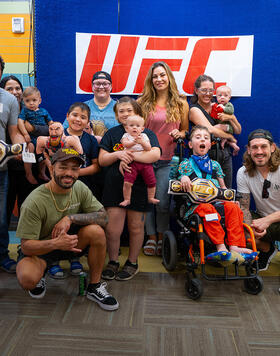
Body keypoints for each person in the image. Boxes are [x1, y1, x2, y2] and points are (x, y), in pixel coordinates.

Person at [16, 148, 119, 311]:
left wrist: (70, 218)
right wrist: (56, 243)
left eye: (74, 168)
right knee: (28, 279)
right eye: (63, 167)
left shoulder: (79, 188)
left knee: (96, 232)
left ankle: (94, 287)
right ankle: (41, 272)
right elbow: (27, 246)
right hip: (40, 250)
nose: (69, 173)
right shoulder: (34, 201)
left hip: (71, 243)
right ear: (51, 168)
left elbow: (104, 218)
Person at [99, 96, 161, 280]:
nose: (126, 114)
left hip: (140, 187)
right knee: (113, 229)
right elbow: (102, 159)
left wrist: (131, 158)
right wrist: (119, 154)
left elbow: (155, 155)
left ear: (138, 114)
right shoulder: (111, 134)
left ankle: (132, 262)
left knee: (135, 227)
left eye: (129, 110)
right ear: (117, 116)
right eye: (121, 111)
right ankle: (113, 261)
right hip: (114, 186)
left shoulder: (147, 134)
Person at [178, 125, 253, 263]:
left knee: (233, 207)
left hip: (215, 202)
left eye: (206, 138)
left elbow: (223, 189)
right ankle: (221, 246)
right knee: (208, 209)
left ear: (209, 144)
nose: (202, 140)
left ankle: (235, 246)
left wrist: (229, 199)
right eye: (198, 137)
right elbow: (181, 176)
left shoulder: (215, 165)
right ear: (190, 144)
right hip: (196, 207)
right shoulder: (186, 163)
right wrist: (184, 178)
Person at [137, 61, 189, 257]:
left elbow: (185, 130)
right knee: (147, 201)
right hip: (145, 159)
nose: (159, 79)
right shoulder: (142, 102)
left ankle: (162, 236)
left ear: (169, 78)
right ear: (151, 80)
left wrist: (181, 133)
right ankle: (151, 237)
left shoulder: (181, 103)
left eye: (162, 75)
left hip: (168, 159)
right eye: (155, 76)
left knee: (164, 203)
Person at [49, 103, 100, 279]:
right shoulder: (56, 135)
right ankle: (53, 261)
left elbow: (95, 167)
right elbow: (47, 159)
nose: (78, 119)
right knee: (55, 221)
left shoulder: (91, 141)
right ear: (67, 115)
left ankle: (74, 257)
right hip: (57, 189)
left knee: (76, 223)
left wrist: (74, 174)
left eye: (83, 117)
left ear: (88, 121)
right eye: (75, 115)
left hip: (80, 189)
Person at [237, 129, 280, 271]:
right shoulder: (243, 173)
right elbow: (244, 206)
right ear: (248, 150)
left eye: (263, 146)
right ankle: (267, 250)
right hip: (262, 220)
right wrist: (250, 227)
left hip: (272, 220)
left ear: (272, 148)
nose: (259, 151)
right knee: (237, 226)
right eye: (255, 147)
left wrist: (267, 220)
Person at [189, 75, 242, 188]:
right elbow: (210, 130)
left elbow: (238, 130)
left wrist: (231, 118)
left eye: (210, 90)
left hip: (225, 153)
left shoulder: (220, 107)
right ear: (196, 91)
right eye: (204, 90)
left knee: (226, 189)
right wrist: (230, 138)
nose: (208, 93)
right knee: (207, 191)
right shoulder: (194, 109)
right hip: (205, 155)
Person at [0, 55, 24, 273]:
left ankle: (2, 255)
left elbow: (14, 133)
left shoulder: (8, 100)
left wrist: (20, 148)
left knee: (1, 217)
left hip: (2, 170)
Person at [0, 75, 34, 227]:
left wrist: (31, 128)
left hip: (26, 167)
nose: (15, 92)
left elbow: (44, 128)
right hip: (7, 167)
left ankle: (25, 247)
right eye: (10, 89)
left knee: (27, 208)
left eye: (18, 88)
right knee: (4, 210)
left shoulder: (32, 109)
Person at [63, 71, 118, 138]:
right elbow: (64, 131)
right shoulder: (81, 107)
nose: (101, 87)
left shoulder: (120, 108)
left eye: (105, 84)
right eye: (97, 84)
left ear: (111, 86)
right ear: (92, 86)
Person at [120, 115, 159, 207]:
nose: (134, 127)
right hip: (131, 163)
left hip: (145, 162)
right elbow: (125, 144)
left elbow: (148, 148)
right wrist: (133, 142)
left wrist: (142, 142)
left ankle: (151, 197)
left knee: (152, 181)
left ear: (142, 129)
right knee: (127, 182)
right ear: (126, 128)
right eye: (131, 125)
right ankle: (127, 199)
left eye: (137, 126)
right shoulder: (126, 136)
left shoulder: (144, 136)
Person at [18, 86, 53, 184]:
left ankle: (42, 172)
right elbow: (20, 121)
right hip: (31, 138)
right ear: (24, 101)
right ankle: (28, 173)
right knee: (30, 148)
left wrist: (53, 129)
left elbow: (50, 123)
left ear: (39, 100)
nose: (31, 103)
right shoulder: (25, 111)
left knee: (45, 151)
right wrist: (25, 134)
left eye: (34, 100)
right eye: (27, 101)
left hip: (42, 138)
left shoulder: (44, 111)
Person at [210, 85, 240, 156]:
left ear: (229, 98)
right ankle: (234, 146)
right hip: (224, 129)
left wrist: (223, 108)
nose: (222, 97)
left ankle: (224, 140)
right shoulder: (217, 105)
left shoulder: (229, 105)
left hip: (228, 127)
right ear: (216, 97)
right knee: (221, 136)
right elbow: (215, 117)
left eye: (225, 96)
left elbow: (230, 111)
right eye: (220, 95)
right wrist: (213, 107)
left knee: (216, 127)